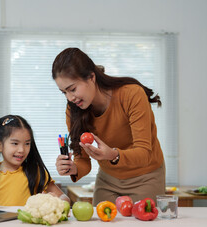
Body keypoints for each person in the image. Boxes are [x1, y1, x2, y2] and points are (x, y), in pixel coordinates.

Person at [52, 48, 165, 205]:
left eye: (72, 89)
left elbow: (144, 153)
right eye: (63, 92)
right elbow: (83, 160)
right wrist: (73, 168)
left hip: (145, 177)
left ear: (91, 77)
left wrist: (112, 155)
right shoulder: (74, 110)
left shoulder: (131, 94)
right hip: (108, 180)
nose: (70, 97)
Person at [0, 114, 70, 207]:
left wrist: (54, 201)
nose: (22, 150)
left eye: (27, 143)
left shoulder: (36, 172)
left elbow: (64, 198)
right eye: (15, 143)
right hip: (0, 224)